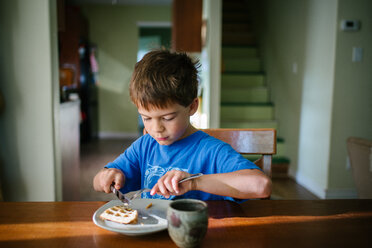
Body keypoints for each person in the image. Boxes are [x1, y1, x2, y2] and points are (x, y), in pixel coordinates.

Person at [93, 49, 271, 202]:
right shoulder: (144, 146)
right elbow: (97, 182)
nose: (156, 129)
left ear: (192, 107)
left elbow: (261, 185)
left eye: (168, 118)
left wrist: (194, 182)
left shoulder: (211, 151)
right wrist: (105, 176)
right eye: (146, 118)